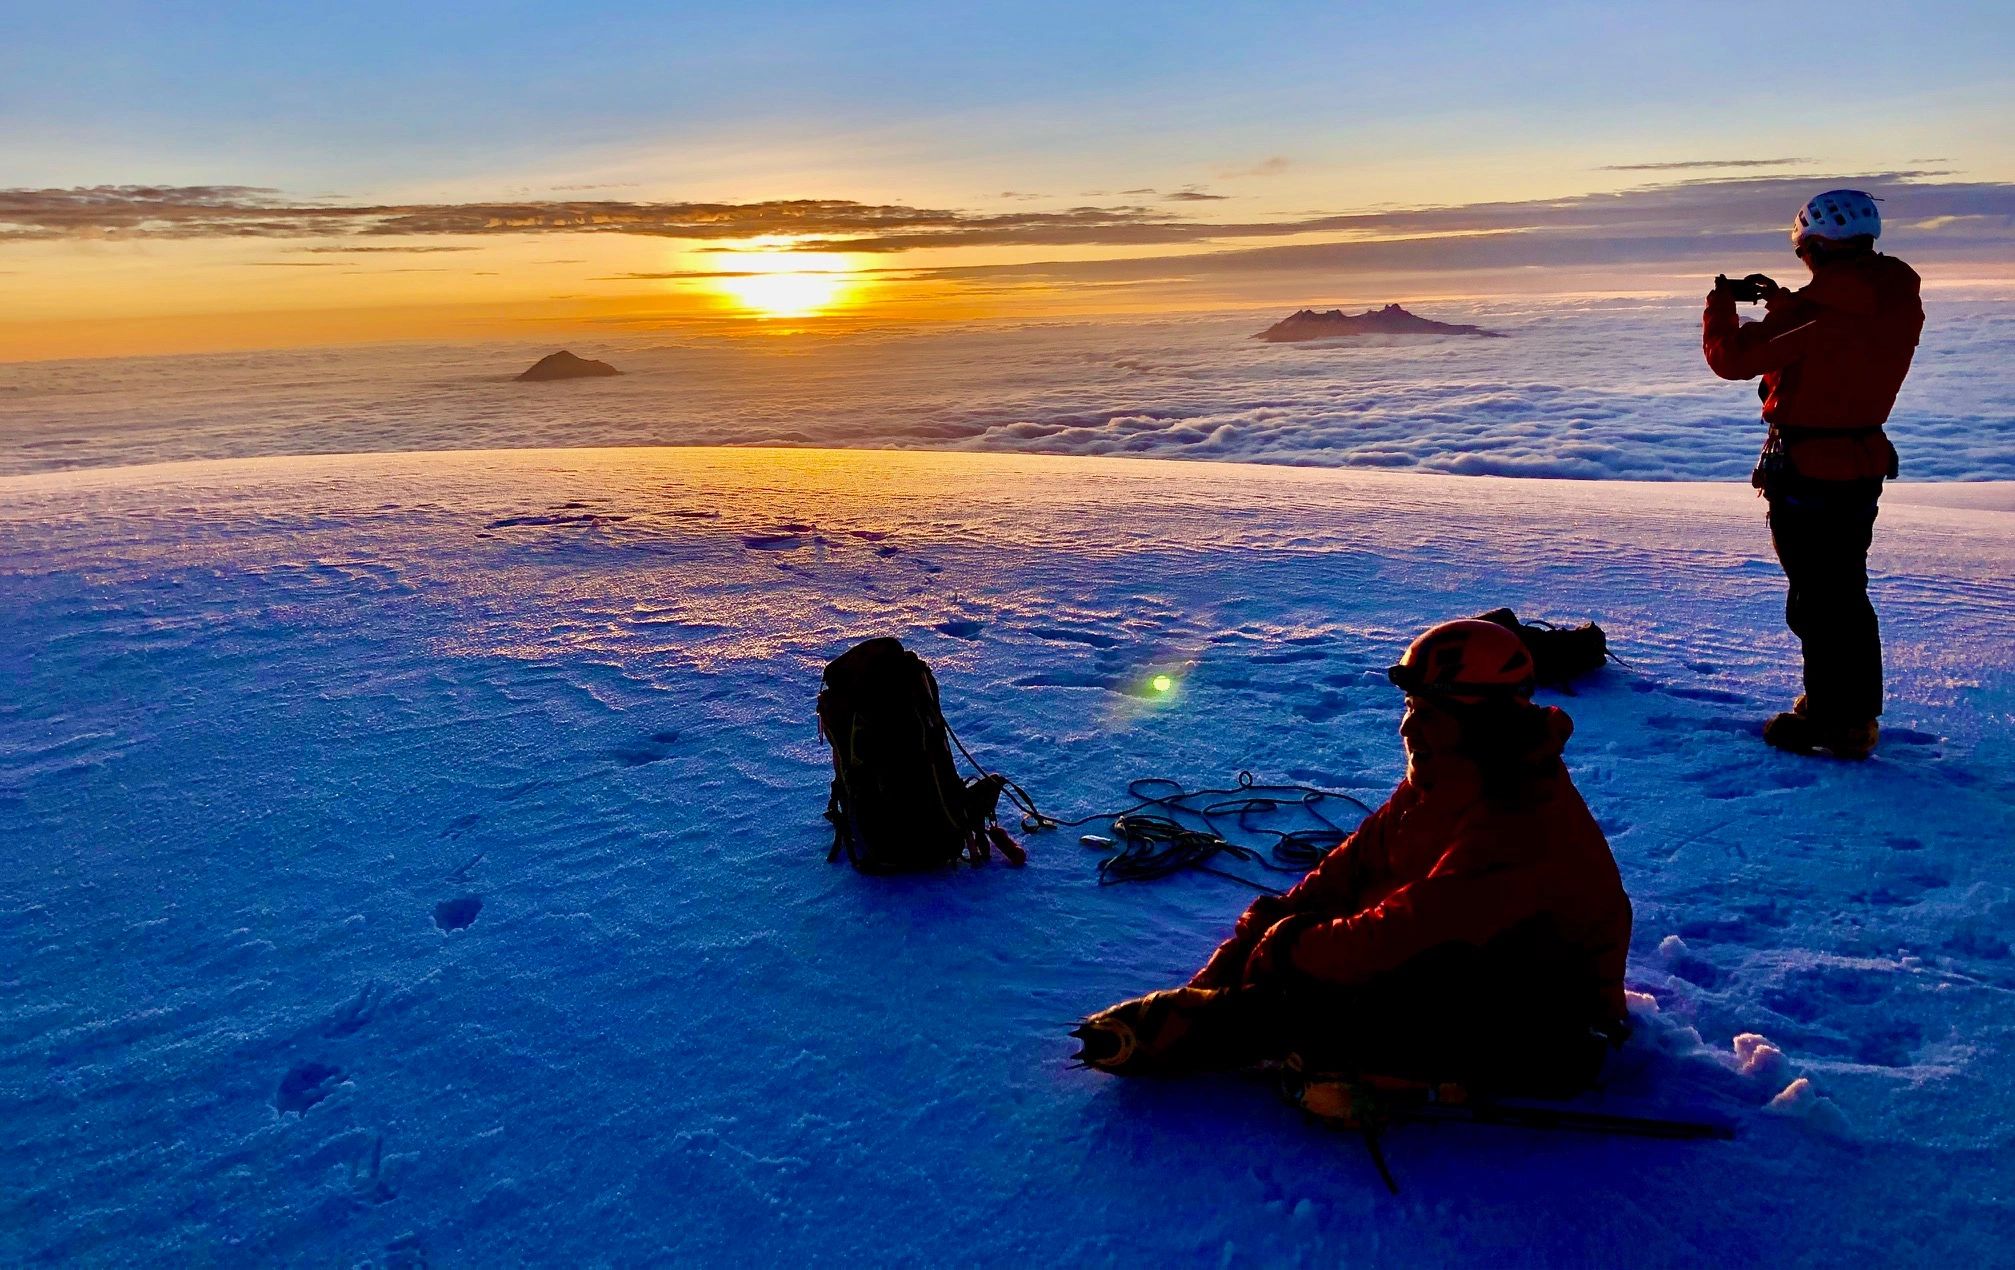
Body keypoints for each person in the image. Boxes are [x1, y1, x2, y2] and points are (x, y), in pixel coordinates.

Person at [1072, 620, 1633, 1098]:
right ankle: (1223, 1022)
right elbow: (1340, 875)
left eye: (1432, 711)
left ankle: (1263, 1043)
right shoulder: (1439, 784)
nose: (1410, 726)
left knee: (1341, 1003)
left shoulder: (1522, 816)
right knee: (1326, 964)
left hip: (1550, 1022)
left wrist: (1281, 958)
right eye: (1411, 706)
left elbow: (1403, 933)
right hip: (1466, 963)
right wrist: (1239, 956)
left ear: (1484, 722)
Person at [1702, 189, 1924, 760]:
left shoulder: (1821, 315)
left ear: (1815, 246)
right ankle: (1845, 705)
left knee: (1818, 598)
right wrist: (1786, 303)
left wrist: (1720, 304)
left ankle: (1839, 721)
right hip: (1860, 464)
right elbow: (1834, 344)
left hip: (1809, 468)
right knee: (1844, 590)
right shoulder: (1895, 296)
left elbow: (1732, 359)